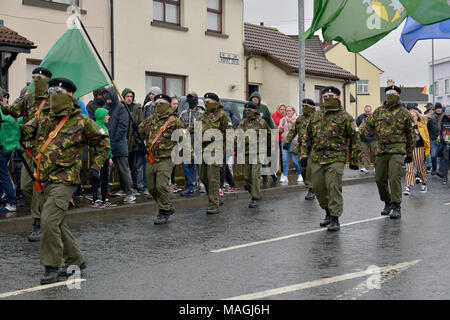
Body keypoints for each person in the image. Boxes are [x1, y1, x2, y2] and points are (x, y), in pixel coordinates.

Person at [20, 78, 110, 284]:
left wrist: (96, 167)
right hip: (43, 178)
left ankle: (51, 266)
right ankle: (76, 261)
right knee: (57, 222)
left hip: (65, 179)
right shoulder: (44, 117)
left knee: (49, 220)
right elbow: (24, 131)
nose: (53, 94)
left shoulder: (81, 121)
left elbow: (103, 142)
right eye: (51, 90)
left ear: (69, 95)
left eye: (57, 91)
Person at [1, 67, 52, 242]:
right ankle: (45, 213)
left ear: (47, 79)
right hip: (29, 151)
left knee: (38, 186)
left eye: (39, 78)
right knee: (26, 186)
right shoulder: (28, 98)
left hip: (46, 152)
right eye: (33, 78)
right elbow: (13, 111)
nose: (35, 81)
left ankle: (38, 224)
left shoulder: (53, 99)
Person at [301, 87, 360, 231]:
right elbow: (307, 138)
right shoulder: (315, 117)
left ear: (338, 97)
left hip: (336, 157)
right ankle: (327, 211)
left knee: (333, 186)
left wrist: (354, 160)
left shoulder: (345, 117)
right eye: (325, 95)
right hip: (317, 158)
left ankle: (335, 218)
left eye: (330, 95)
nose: (327, 97)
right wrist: (304, 155)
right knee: (317, 187)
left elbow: (354, 139)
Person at [360, 85, 414, 220]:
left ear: (399, 95)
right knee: (379, 178)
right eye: (388, 92)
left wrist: (410, 153)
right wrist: (356, 133)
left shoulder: (404, 113)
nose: (390, 94)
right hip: (382, 149)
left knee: (394, 176)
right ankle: (387, 202)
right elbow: (366, 126)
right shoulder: (378, 112)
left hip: (397, 149)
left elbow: (410, 134)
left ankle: (396, 205)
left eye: (393, 92)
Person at [139, 94, 183, 225]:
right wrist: (137, 130)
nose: (158, 105)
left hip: (166, 158)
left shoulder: (174, 121)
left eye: (161, 103)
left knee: (161, 185)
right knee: (152, 187)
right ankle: (167, 205)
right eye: (156, 103)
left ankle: (163, 212)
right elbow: (140, 131)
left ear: (168, 105)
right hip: (152, 158)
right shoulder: (151, 119)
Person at [190, 93, 232, 215]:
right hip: (203, 150)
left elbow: (230, 133)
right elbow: (193, 127)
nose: (206, 103)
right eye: (205, 101)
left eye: (208, 101)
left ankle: (213, 204)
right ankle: (217, 198)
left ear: (215, 102)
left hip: (217, 150)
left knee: (213, 177)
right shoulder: (203, 116)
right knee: (203, 176)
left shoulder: (223, 115)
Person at [103, 87, 136, 204]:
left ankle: (130, 193)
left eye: (109, 99)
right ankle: (103, 193)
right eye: (106, 100)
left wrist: (113, 140)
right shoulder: (105, 108)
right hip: (107, 145)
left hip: (119, 145)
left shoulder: (121, 108)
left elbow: (123, 127)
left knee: (124, 171)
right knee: (105, 170)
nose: (108, 102)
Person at [237, 102, 271, 208]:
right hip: (247, 152)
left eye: (249, 110)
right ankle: (255, 192)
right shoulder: (243, 122)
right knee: (247, 177)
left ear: (255, 111)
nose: (246, 112)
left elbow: (269, 135)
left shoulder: (261, 122)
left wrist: (269, 150)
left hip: (259, 151)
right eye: (245, 110)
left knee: (255, 174)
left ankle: (254, 198)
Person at [285, 99, 316, 200]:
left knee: (312, 168)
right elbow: (293, 130)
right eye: (303, 106)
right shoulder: (300, 119)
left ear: (312, 107)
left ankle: (312, 189)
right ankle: (310, 187)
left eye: (306, 106)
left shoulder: (318, 118)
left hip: (315, 147)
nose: (304, 108)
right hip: (302, 147)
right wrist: (287, 141)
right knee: (303, 168)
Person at [249, 92, 277, 185]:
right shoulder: (248, 107)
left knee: (268, 156)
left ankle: (273, 173)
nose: (255, 100)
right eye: (254, 98)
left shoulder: (264, 108)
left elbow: (269, 120)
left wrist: (273, 132)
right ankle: (264, 177)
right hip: (254, 137)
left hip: (264, 135)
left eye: (257, 99)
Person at [179, 93, 205, 197]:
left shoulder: (201, 114)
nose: (191, 101)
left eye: (193, 99)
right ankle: (189, 186)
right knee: (187, 165)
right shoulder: (183, 113)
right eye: (189, 99)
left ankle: (202, 184)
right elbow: (179, 127)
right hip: (187, 143)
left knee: (200, 165)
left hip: (198, 142)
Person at [122, 88, 145, 194]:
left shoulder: (137, 108)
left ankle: (137, 186)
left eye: (131, 96)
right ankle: (126, 187)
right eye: (127, 96)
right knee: (125, 167)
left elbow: (141, 123)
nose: (129, 99)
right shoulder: (121, 107)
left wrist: (138, 133)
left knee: (136, 166)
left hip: (135, 142)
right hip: (123, 141)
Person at [91, 108, 114, 208]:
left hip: (105, 157)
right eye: (106, 115)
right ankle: (95, 199)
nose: (108, 117)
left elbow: (108, 144)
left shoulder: (105, 127)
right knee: (96, 178)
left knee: (105, 178)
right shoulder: (95, 127)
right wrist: (96, 153)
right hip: (98, 158)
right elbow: (92, 143)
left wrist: (110, 156)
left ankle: (104, 198)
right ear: (101, 116)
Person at [404, 109, 430, 195]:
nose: (412, 118)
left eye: (413, 116)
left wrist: (427, 151)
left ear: (417, 117)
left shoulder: (422, 126)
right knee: (409, 168)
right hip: (409, 149)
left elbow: (427, 139)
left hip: (419, 148)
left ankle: (424, 183)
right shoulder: (406, 127)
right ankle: (407, 187)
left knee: (420, 167)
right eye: (410, 116)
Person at [0, 87, 17, 213]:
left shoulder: (3, 112)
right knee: (2, 174)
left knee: (3, 174)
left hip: (3, 147)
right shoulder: (8, 111)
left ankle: (11, 202)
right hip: (7, 147)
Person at [279, 106, 302, 184]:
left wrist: (291, 122)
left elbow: (299, 129)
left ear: (293, 111)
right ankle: (285, 176)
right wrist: (281, 125)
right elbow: (280, 131)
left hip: (294, 142)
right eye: (287, 111)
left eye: (290, 111)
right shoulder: (282, 120)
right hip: (284, 142)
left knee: (294, 160)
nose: (288, 112)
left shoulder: (297, 119)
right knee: (284, 159)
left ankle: (300, 174)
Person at [356, 105, 377, 174]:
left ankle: (376, 167)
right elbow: (356, 126)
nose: (367, 112)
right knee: (364, 153)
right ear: (364, 111)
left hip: (373, 138)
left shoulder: (375, 117)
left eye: (369, 111)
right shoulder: (360, 117)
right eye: (366, 111)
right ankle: (366, 167)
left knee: (375, 153)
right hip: (363, 139)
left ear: (371, 110)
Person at [428, 103, 445, 176]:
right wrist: (429, 137)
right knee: (433, 155)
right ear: (435, 109)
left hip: (443, 139)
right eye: (437, 108)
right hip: (433, 139)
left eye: (440, 108)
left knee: (442, 155)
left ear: (441, 109)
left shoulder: (444, 116)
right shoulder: (431, 117)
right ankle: (434, 168)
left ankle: (440, 170)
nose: (439, 109)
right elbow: (428, 128)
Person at [439, 108, 450, 184]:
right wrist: (442, 138)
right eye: (448, 115)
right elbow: (441, 132)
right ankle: (445, 177)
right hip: (446, 143)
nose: (449, 116)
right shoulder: (443, 121)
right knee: (446, 159)